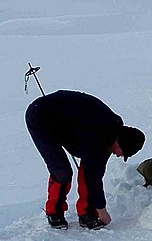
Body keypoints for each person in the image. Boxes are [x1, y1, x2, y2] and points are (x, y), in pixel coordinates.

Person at [25, 90, 145, 230]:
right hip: (41, 116)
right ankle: (54, 212)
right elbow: (92, 175)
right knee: (62, 171)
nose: (118, 156)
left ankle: (86, 212)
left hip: (67, 121)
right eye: (122, 153)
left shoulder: (111, 135)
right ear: (119, 143)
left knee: (91, 168)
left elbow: (95, 172)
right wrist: (101, 210)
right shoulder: (98, 134)